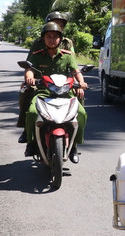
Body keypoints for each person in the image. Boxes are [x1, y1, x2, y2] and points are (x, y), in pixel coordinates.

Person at [23, 22, 88, 164]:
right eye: (49, 36)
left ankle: (75, 146)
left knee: (81, 114)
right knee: (33, 113)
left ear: (60, 39)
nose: (52, 39)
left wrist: (81, 83)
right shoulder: (37, 55)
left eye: (55, 37)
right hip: (43, 92)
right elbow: (29, 68)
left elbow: (76, 71)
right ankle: (31, 142)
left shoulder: (67, 56)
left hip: (65, 93)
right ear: (43, 39)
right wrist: (29, 77)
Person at [17, 11, 75, 136]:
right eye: (55, 23)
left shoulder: (67, 43)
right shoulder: (38, 44)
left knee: (79, 95)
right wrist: (29, 79)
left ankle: (74, 132)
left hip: (62, 83)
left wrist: (78, 82)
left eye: (61, 24)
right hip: (41, 82)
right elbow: (29, 64)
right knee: (25, 92)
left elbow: (72, 64)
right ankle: (27, 129)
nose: (57, 26)